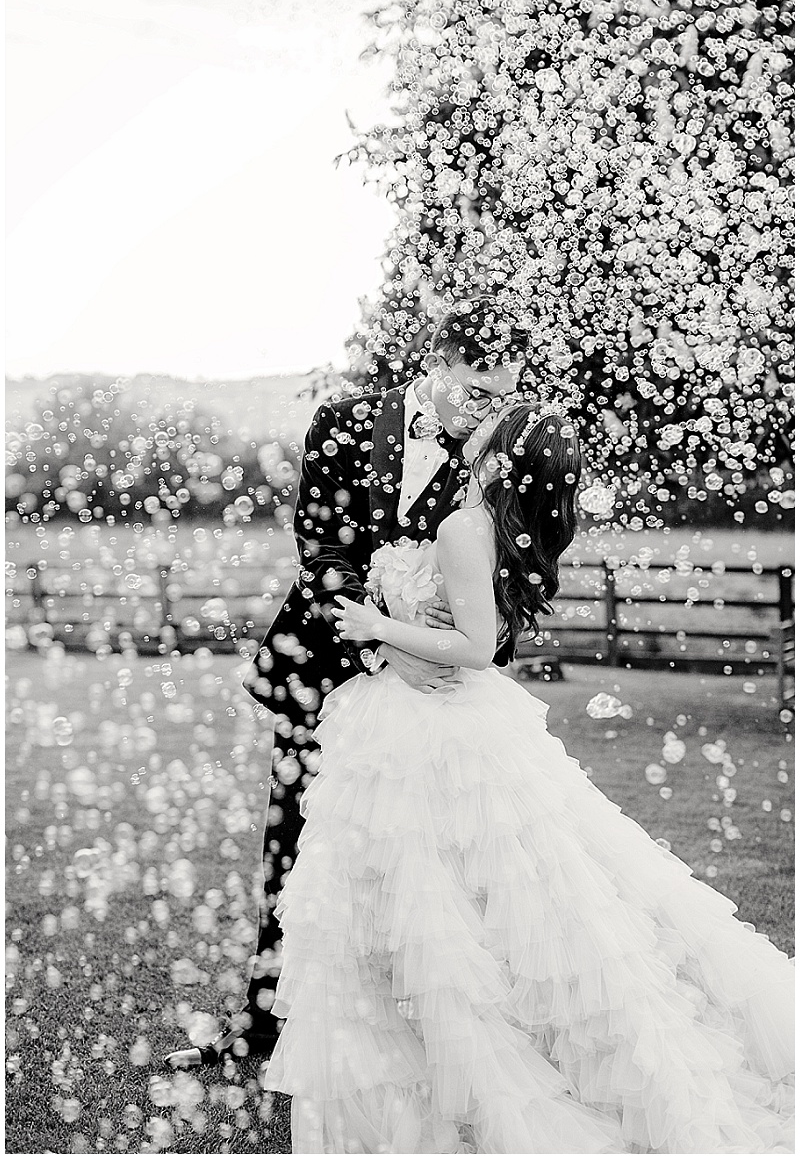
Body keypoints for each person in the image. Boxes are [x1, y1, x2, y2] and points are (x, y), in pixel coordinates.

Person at [260, 404, 795, 1154]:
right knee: (488, 892)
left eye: (494, 423)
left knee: (431, 892)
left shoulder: (463, 527)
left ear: (501, 454)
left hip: (427, 723)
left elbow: (477, 645)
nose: (480, 422)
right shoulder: (493, 525)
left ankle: (454, 1059)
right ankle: (452, 1039)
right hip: (450, 714)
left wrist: (378, 628)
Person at [164, 296, 527, 1068]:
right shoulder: (344, 421)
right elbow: (321, 549)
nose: (489, 410)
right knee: (294, 846)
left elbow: (508, 568)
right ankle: (262, 1027)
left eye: (504, 396)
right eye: (478, 390)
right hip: (322, 674)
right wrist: (379, 645)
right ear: (438, 363)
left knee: (427, 857)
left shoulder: (494, 455)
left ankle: (425, 1033)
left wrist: (448, 644)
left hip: (426, 695)